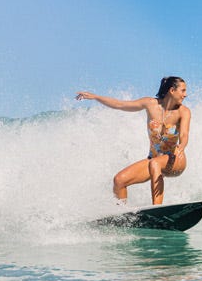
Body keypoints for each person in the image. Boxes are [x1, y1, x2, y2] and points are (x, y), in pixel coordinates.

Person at [76, 76, 190, 205]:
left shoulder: (183, 112)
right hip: (153, 159)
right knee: (119, 180)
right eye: (183, 90)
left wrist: (182, 146)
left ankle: (157, 209)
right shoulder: (150, 104)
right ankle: (122, 215)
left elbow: (184, 134)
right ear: (172, 90)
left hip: (175, 160)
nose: (185, 95)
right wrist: (96, 97)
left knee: (155, 163)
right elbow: (120, 105)